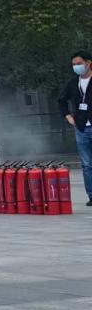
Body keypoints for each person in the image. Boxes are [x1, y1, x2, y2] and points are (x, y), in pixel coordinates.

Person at [58, 50, 92, 206]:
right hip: (81, 127)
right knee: (87, 164)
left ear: (88, 63)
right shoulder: (72, 83)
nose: (76, 67)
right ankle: (91, 195)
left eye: (79, 63)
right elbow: (61, 100)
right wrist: (68, 116)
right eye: (74, 64)